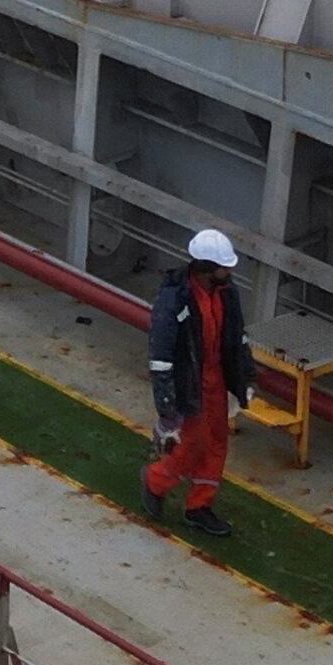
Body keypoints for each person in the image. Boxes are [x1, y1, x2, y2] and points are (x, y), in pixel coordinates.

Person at [144, 227, 251, 539]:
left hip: (217, 380)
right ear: (207, 268)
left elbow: (237, 336)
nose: (229, 271)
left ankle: (199, 506)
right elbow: (161, 357)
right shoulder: (174, 300)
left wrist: (245, 377)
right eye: (224, 266)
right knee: (194, 443)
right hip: (190, 385)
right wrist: (166, 407)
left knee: (218, 441)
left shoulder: (227, 293)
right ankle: (155, 480)